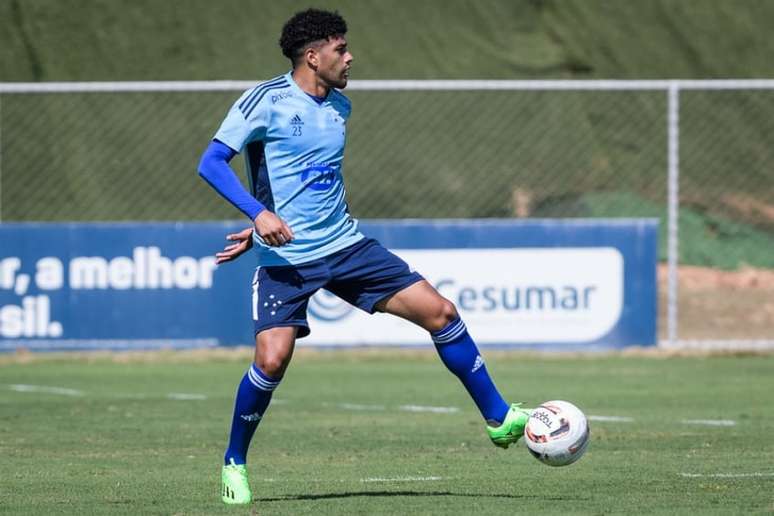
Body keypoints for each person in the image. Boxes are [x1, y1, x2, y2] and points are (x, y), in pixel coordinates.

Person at [198, 8, 530, 506]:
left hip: (348, 246)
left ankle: (499, 419)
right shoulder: (264, 101)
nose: (350, 58)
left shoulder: (340, 108)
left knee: (441, 313)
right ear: (312, 56)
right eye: (340, 49)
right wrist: (258, 218)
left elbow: (309, 180)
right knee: (272, 359)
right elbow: (212, 162)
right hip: (287, 260)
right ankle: (234, 462)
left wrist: (261, 217)